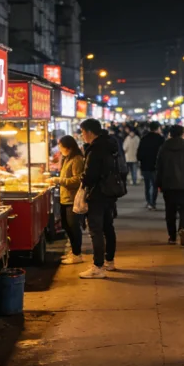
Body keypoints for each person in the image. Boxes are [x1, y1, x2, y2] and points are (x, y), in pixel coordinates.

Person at [78, 119, 119, 279]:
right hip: (109, 192)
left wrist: (82, 179)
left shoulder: (95, 150)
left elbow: (90, 175)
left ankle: (98, 266)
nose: (82, 135)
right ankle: (110, 261)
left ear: (89, 132)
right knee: (108, 227)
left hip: (97, 194)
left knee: (96, 230)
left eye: (83, 132)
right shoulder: (110, 145)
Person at [157, 125, 184, 246]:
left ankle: (172, 237)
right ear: (183, 134)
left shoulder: (164, 147)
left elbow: (159, 167)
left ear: (170, 134)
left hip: (168, 184)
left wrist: (159, 183)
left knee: (170, 211)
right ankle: (183, 229)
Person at [50, 135, 85, 265]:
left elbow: (77, 180)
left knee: (73, 227)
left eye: (61, 147)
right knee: (66, 225)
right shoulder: (67, 158)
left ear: (68, 148)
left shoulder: (77, 159)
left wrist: (58, 180)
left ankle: (77, 254)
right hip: (65, 198)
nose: (59, 149)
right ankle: (74, 251)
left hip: (72, 199)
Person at [137, 122, 166, 210]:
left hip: (145, 166)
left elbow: (139, 154)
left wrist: (141, 161)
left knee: (147, 185)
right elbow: (163, 153)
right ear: (158, 128)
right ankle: (152, 202)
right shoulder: (161, 139)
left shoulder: (144, 138)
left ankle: (149, 201)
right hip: (155, 166)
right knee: (154, 185)